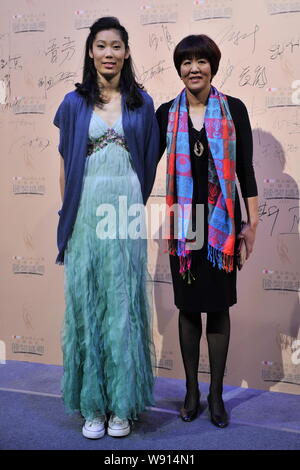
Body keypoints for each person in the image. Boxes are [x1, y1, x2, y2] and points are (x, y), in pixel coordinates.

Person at [53, 17, 159, 439]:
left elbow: (148, 164)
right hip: (85, 211)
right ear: (91, 52)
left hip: (126, 211)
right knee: (88, 305)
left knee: (122, 306)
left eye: (116, 46)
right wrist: (68, 213)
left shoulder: (142, 104)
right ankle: (92, 406)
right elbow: (65, 166)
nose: (109, 53)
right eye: (101, 46)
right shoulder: (72, 103)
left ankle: (121, 406)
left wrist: (132, 203)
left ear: (127, 52)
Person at [156, 35, 258, 428]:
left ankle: (215, 394)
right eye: (186, 62)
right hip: (184, 227)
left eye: (201, 61)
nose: (193, 68)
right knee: (187, 308)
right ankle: (191, 391)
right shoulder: (167, 113)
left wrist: (252, 224)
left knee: (217, 307)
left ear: (213, 65)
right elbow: (146, 159)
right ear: (178, 68)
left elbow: (245, 171)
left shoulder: (233, 109)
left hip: (221, 226)